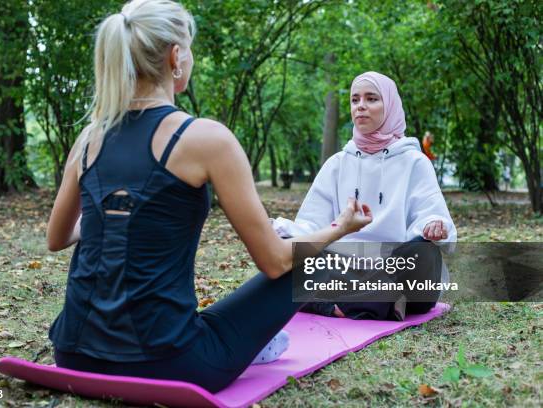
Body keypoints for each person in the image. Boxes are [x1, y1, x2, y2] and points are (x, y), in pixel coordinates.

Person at [45, 0, 373, 393]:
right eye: (190, 48)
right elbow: (274, 261)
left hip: (74, 356)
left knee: (210, 316)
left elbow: (57, 238)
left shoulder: (89, 138)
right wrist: (339, 227)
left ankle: (253, 340)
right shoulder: (205, 138)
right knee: (313, 261)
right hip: (170, 365)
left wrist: (116, 215)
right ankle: (254, 342)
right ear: (175, 57)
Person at [273, 71, 457, 320]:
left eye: (371, 99)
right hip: (345, 267)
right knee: (285, 258)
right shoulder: (336, 164)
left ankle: (333, 303)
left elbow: (431, 215)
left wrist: (434, 226)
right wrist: (283, 229)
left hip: (395, 268)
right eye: (355, 100)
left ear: (390, 105)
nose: (361, 106)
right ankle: (377, 302)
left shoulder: (415, 162)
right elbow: (312, 224)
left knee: (424, 254)